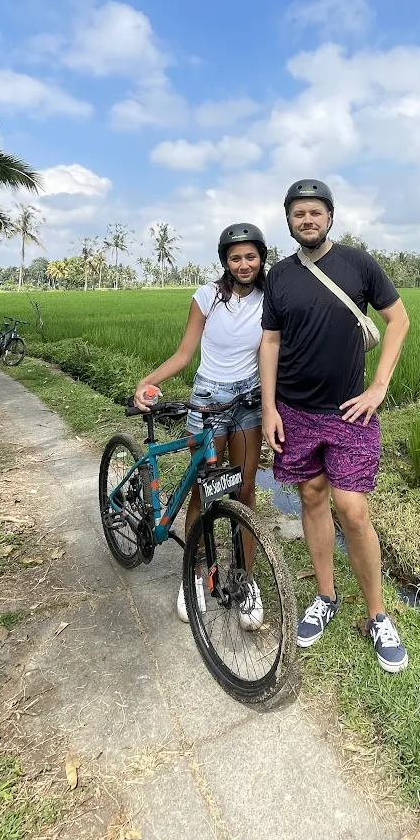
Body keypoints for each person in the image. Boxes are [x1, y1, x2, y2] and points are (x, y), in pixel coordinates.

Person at [260, 179, 411, 672]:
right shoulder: (278, 277)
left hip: (351, 411)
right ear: (289, 220)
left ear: (330, 216)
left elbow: (399, 320)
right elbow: (271, 344)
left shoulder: (358, 264)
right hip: (295, 410)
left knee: (353, 510)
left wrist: (379, 387)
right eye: (298, 213)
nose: (307, 220)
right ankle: (325, 596)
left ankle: (378, 614)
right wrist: (269, 408)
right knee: (310, 496)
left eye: (315, 212)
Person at [134, 223, 266, 627]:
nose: (244, 264)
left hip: (249, 401)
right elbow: (185, 352)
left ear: (262, 257)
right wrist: (148, 381)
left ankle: (245, 580)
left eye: (251, 256)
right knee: (203, 489)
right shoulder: (207, 297)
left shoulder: (270, 297)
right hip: (208, 397)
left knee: (244, 490)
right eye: (235, 257)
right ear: (225, 260)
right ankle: (192, 576)